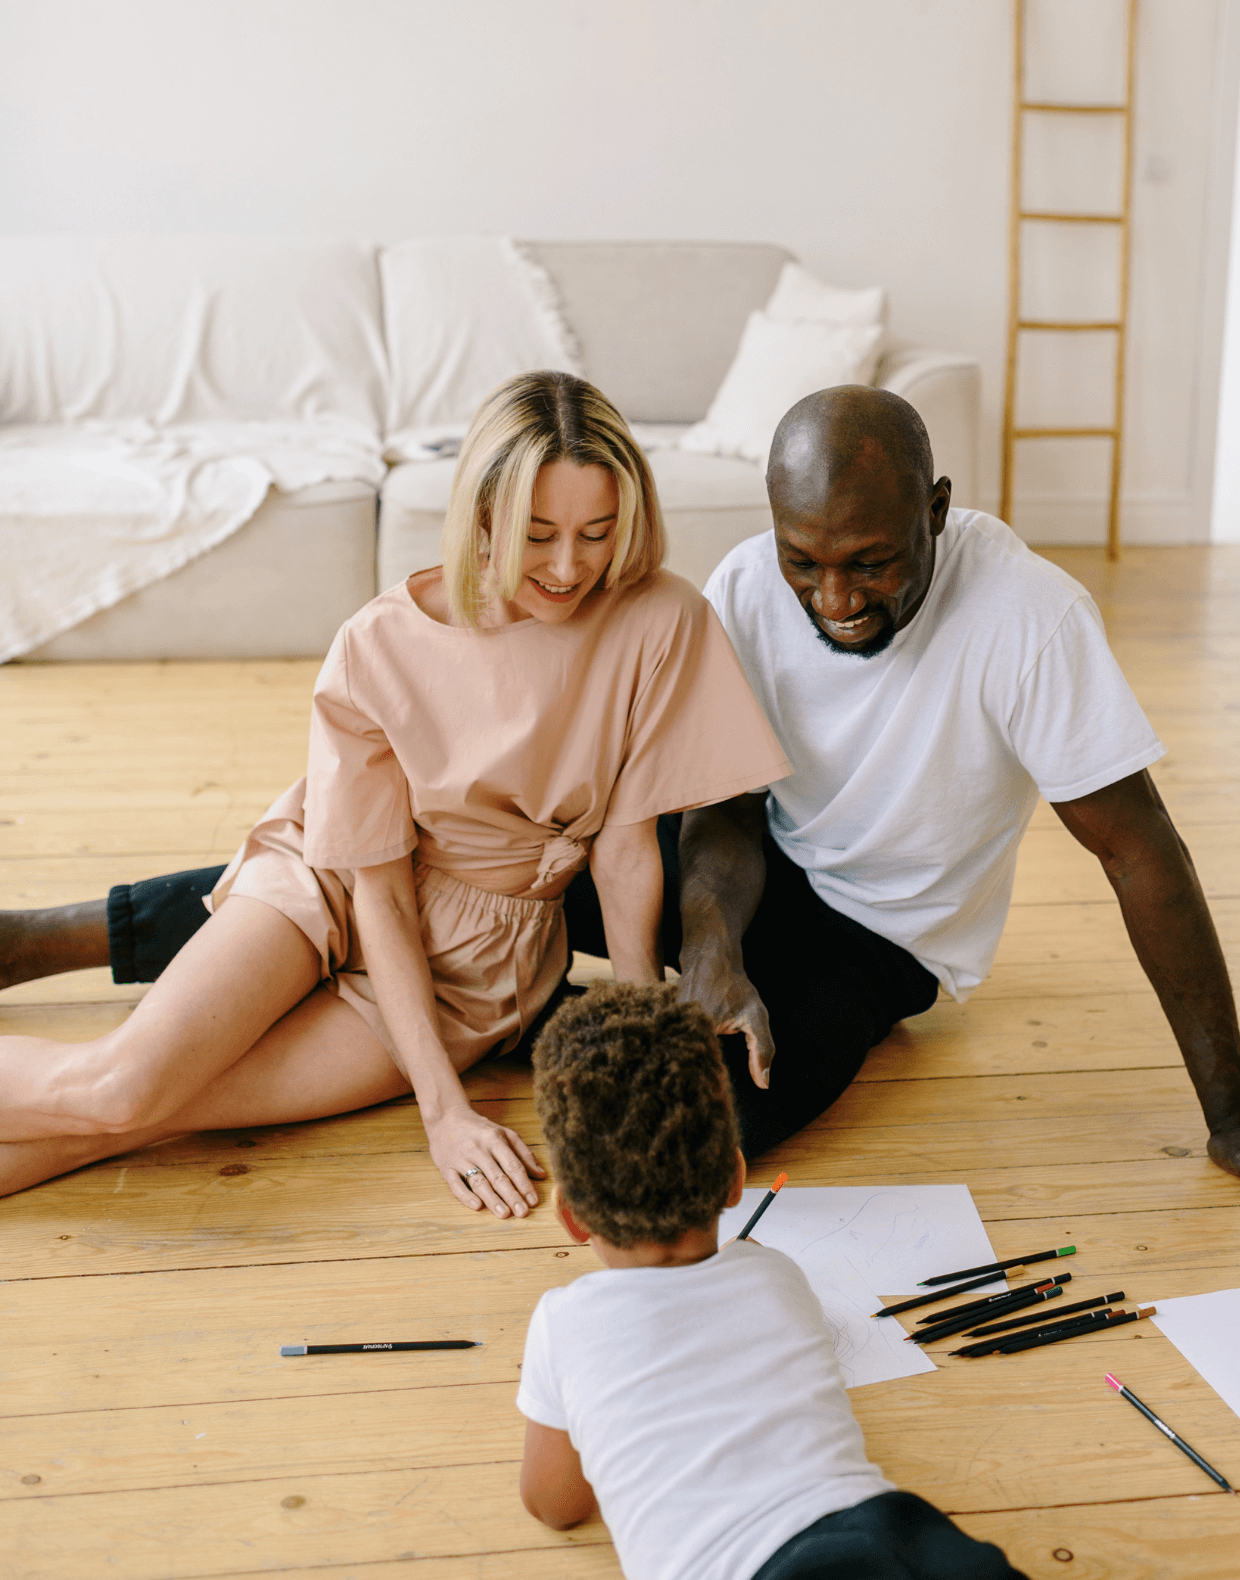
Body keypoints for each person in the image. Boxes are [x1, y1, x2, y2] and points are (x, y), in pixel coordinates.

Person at [0, 373, 788, 1205]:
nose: (569, 567)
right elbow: (376, 886)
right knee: (121, 1088)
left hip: (482, 966)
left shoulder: (660, 618)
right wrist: (444, 1112)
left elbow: (626, 854)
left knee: (161, 1114)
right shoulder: (376, 643)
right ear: (480, 514)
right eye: (537, 533)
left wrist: (641, 1046)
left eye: (596, 532)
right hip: (331, 884)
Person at [669, 386, 1240, 1209]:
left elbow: (1137, 850)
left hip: (881, 936)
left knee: (710, 1126)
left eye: (871, 564)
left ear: (937, 510)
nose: (836, 601)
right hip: (761, 867)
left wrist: (1233, 1110)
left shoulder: (1028, 614)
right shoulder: (743, 583)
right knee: (536, 871)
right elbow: (727, 806)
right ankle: (614, 990)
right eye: (804, 562)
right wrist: (713, 939)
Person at [518, 979, 1024, 1580]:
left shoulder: (563, 1322)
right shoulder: (776, 1276)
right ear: (735, 1179)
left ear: (572, 1216)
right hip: (895, 1539)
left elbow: (556, 1505)